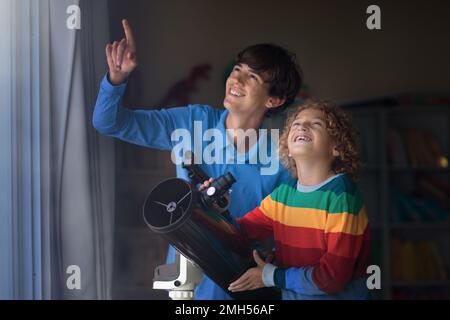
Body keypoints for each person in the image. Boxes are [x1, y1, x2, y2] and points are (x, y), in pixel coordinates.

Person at [92, 19, 302, 299]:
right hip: (186, 283)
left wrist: (275, 258)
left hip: (246, 287)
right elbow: (109, 123)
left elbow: (295, 234)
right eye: (237, 69)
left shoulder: (282, 159)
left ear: (274, 100)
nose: (236, 80)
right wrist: (116, 80)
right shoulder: (192, 122)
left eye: (252, 77)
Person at [207, 100, 372, 299]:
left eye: (316, 124)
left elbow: (332, 278)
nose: (302, 126)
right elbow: (239, 234)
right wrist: (219, 209)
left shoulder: (341, 195)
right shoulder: (283, 196)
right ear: (287, 147)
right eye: (296, 124)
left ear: (337, 147)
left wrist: (271, 276)